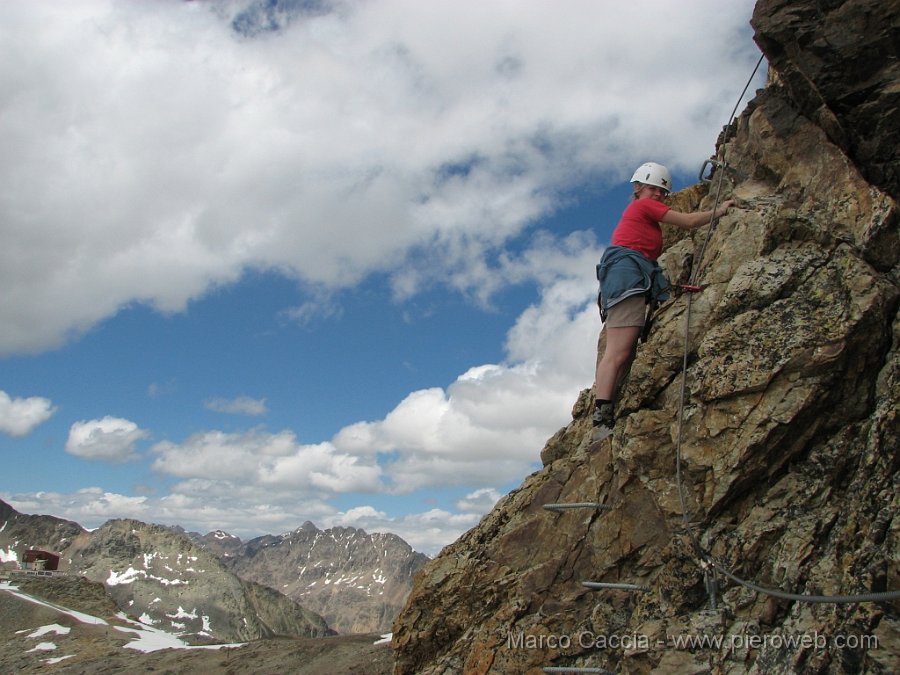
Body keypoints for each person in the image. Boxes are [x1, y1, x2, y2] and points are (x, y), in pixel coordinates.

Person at [593, 162, 734, 438]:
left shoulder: (637, 211)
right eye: (653, 189)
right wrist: (720, 210)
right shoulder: (643, 206)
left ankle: (603, 412)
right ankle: (601, 418)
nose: (658, 195)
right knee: (618, 352)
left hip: (628, 278)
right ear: (639, 189)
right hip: (628, 279)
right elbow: (689, 222)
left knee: (621, 352)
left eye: (662, 191)